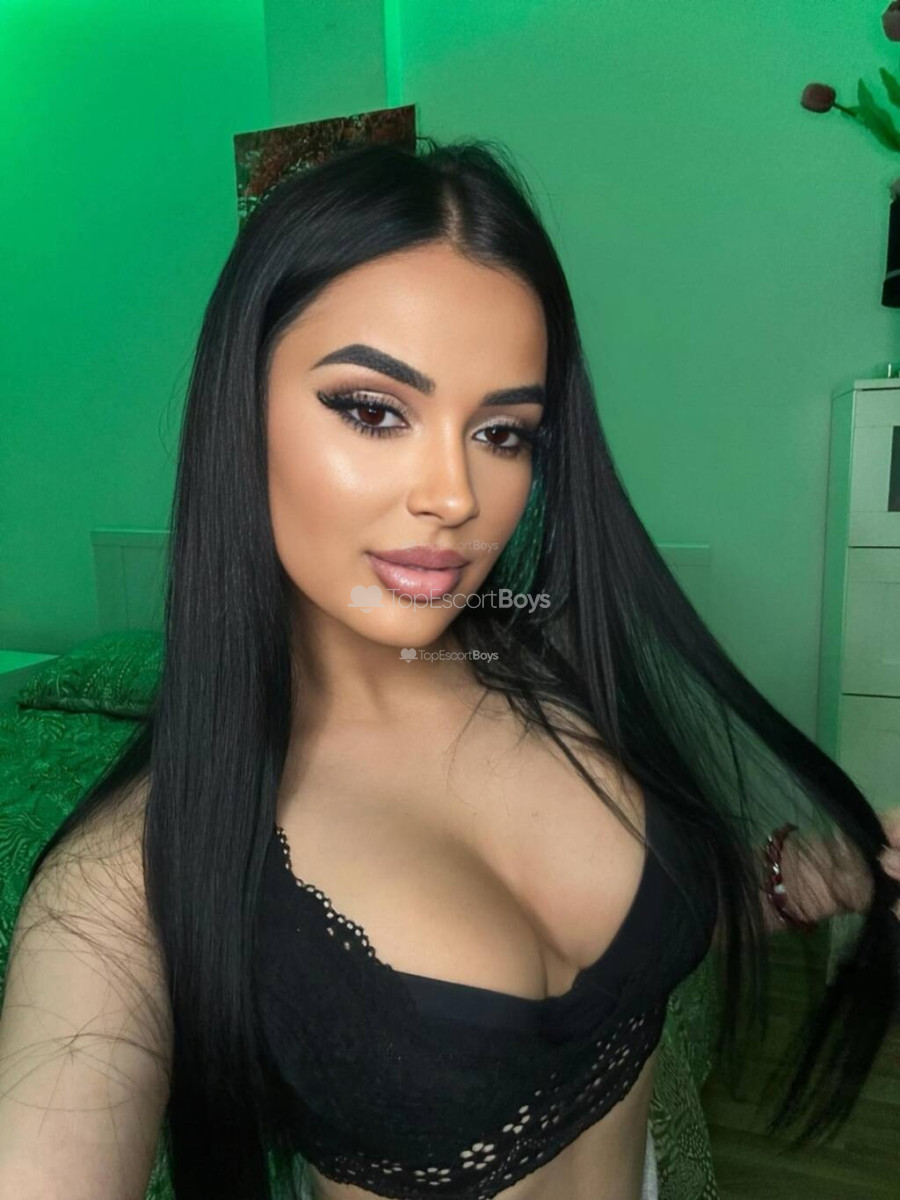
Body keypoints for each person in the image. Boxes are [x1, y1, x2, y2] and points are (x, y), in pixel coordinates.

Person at [1, 136, 898, 1200]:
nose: (456, 495)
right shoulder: (120, 886)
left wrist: (827, 874)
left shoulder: (553, 668)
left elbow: (648, 921)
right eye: (374, 411)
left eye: (504, 433)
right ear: (239, 411)